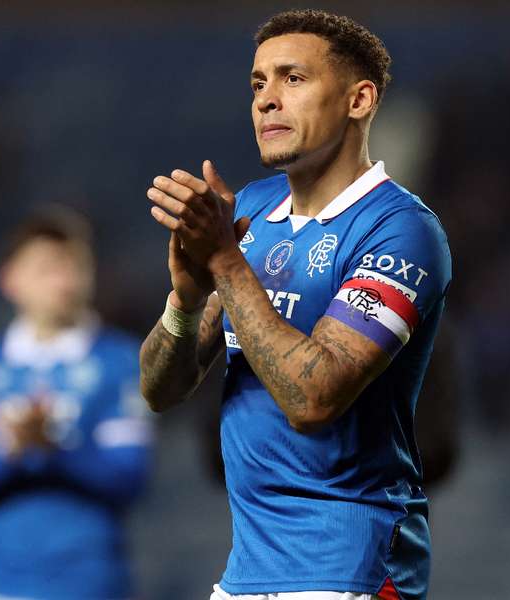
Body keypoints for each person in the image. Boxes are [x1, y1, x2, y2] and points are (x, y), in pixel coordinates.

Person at [140, 9, 451, 600]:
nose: (266, 100)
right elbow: (160, 389)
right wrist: (186, 297)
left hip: (350, 568)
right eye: (258, 83)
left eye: (293, 79)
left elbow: (314, 398)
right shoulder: (251, 210)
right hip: (248, 572)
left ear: (359, 100)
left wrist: (226, 264)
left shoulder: (401, 230)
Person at [0, 206, 152, 600]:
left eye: (74, 266)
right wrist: (13, 449)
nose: (64, 280)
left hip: (90, 582)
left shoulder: (119, 359)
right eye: (46, 267)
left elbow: (130, 477)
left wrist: (54, 448)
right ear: (9, 279)